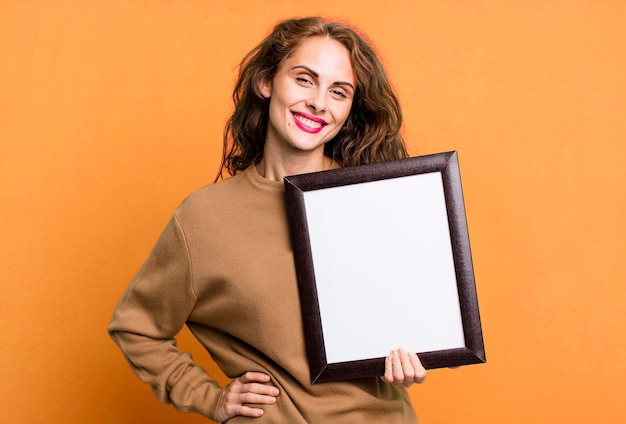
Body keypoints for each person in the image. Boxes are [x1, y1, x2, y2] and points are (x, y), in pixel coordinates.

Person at [108, 16, 426, 423]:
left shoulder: (370, 201)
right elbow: (136, 327)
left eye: (339, 91)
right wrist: (208, 397)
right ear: (266, 82)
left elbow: (417, 321)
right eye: (304, 79)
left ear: (349, 109)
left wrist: (416, 354)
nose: (318, 102)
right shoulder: (204, 219)